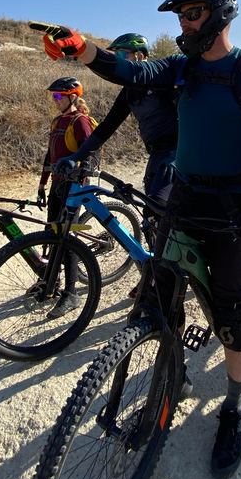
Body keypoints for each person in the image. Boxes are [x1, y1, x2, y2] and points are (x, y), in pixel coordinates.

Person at [32, 0, 241, 479]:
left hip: (235, 205)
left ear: (220, 14)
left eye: (192, 14)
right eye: (181, 16)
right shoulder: (180, 68)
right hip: (183, 199)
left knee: (234, 317)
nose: (185, 25)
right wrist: (80, 47)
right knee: (160, 295)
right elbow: (130, 72)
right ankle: (167, 376)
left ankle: (233, 410)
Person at [61, 33, 179, 297]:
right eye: (117, 56)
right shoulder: (129, 93)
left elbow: (192, 118)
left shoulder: (162, 81)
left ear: (138, 56)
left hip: (178, 152)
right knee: (151, 218)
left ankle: (167, 280)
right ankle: (155, 274)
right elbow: (105, 129)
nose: (119, 60)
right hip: (157, 155)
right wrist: (78, 155)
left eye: (122, 55)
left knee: (161, 211)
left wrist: (181, 155)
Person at [37, 76, 97, 319]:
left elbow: (90, 153)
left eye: (59, 96)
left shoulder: (80, 121)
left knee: (67, 236)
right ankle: (53, 281)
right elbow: (49, 156)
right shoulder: (57, 122)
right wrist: (42, 183)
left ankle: (72, 293)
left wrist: (78, 181)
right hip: (56, 185)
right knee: (53, 232)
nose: (56, 100)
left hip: (73, 187)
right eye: (54, 96)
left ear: (73, 97)